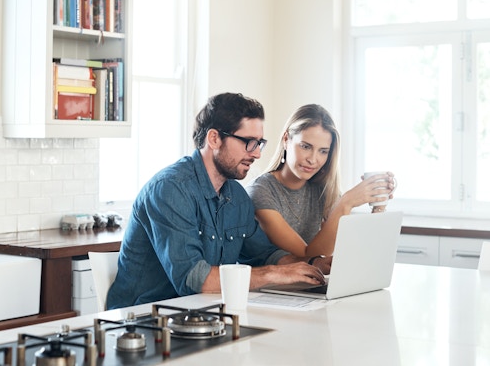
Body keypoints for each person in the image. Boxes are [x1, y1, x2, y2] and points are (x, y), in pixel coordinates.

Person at [106, 93, 325, 309]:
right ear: (214, 139)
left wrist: (313, 264)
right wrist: (272, 274)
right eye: (249, 142)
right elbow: (195, 279)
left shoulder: (237, 197)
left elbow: (264, 255)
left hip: (200, 315)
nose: (257, 153)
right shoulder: (170, 189)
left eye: (259, 143)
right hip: (141, 322)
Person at [245, 104, 396, 262]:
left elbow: (354, 250)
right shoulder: (260, 192)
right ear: (286, 140)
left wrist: (379, 202)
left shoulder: (322, 190)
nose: (312, 159)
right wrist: (346, 202)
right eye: (305, 146)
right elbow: (307, 254)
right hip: (271, 285)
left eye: (323, 151)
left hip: (312, 282)